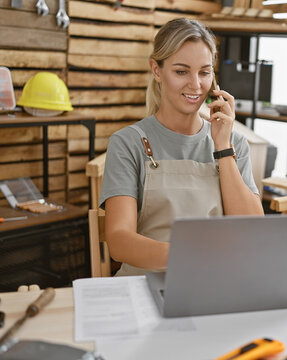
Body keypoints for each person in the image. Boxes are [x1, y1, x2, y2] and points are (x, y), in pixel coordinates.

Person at [99, 18, 264, 276]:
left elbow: (251, 229)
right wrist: (187, 256)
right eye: (181, 71)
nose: (196, 85)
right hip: (143, 285)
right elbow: (119, 242)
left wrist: (222, 148)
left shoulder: (233, 142)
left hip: (213, 283)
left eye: (204, 72)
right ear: (156, 70)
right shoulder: (127, 143)